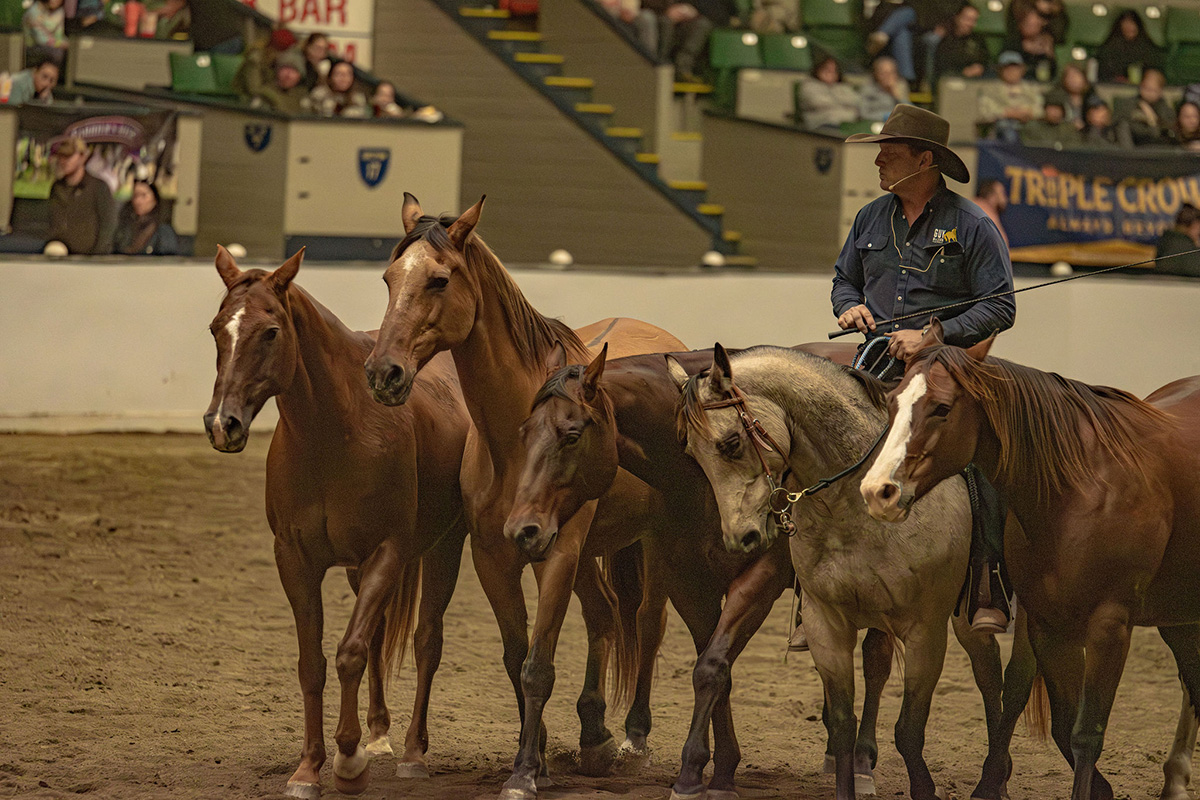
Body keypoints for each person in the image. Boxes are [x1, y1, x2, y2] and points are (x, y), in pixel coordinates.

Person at [831, 104, 1016, 636]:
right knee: (821, 440)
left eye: (889, 152)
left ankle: (989, 583)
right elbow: (845, 279)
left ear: (924, 160)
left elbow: (1000, 307)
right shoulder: (870, 218)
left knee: (980, 457)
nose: (879, 161)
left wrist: (934, 336)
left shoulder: (973, 224)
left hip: (949, 366)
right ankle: (811, 587)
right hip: (876, 359)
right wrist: (849, 306)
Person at [47, 137, 117, 255]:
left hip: (88, 259)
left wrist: (97, 256)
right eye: (61, 156)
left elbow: (108, 225)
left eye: (69, 156)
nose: (64, 161)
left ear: (82, 157)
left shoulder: (99, 187)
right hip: (60, 256)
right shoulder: (57, 187)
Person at [646, 0, 738, 83]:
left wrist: (692, 11)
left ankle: (682, 70)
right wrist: (669, 10)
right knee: (664, 22)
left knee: (702, 25)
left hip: (696, 23)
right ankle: (661, 69)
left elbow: (725, 13)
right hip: (661, 16)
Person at [977, 51, 1042, 142]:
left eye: (1015, 68)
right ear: (1000, 70)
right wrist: (1007, 113)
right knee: (1007, 132)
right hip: (1001, 127)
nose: (1011, 72)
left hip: (1027, 124)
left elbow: (1039, 109)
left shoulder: (1031, 89)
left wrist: (1027, 112)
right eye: (1007, 68)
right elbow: (985, 112)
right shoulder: (990, 90)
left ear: (1022, 70)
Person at [1096, 9, 1164, 84]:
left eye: (1132, 24)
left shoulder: (1148, 49)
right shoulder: (1110, 48)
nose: (1129, 27)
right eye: (1126, 25)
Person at [113, 179, 179, 256]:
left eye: (143, 195)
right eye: (135, 195)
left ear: (154, 199)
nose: (138, 201)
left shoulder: (163, 231)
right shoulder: (126, 227)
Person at [797, 55, 859, 131]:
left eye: (834, 70)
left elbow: (855, 100)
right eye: (827, 69)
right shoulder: (809, 86)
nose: (830, 73)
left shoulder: (843, 86)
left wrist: (834, 99)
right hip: (821, 123)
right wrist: (841, 103)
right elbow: (817, 102)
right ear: (818, 69)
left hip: (847, 122)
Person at [1113, 68, 1172, 147]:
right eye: (1146, 88)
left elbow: (1158, 133)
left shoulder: (1164, 108)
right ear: (1141, 86)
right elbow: (1119, 123)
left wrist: (1151, 118)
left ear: (1160, 91)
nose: (1149, 93)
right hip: (1132, 141)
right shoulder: (1129, 103)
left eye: (1154, 90)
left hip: (1155, 144)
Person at [933, 2, 989, 84]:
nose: (970, 24)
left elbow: (985, 58)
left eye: (974, 20)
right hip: (952, 79)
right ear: (957, 17)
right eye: (967, 19)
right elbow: (943, 65)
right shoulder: (945, 39)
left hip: (976, 79)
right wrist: (963, 72)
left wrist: (980, 67)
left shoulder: (978, 39)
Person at [866, 0, 918, 82]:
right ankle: (905, 78)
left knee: (908, 13)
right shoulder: (880, 6)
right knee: (902, 34)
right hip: (893, 38)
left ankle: (882, 34)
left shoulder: (912, 6)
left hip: (913, 35)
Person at [1004, 7, 1056, 81]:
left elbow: (1051, 73)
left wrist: (1050, 55)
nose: (1032, 27)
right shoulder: (1013, 41)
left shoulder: (1046, 42)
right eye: (1028, 24)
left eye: (1035, 24)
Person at [1044, 63, 1096, 131]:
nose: (1073, 80)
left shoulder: (1091, 97)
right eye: (1069, 76)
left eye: (1076, 75)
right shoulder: (1056, 98)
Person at [859, 56, 909, 123]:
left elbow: (911, 113)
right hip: (875, 126)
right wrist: (888, 116)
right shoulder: (868, 90)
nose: (888, 76)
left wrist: (898, 96)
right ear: (876, 74)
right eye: (884, 73)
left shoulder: (900, 86)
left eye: (892, 72)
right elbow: (863, 114)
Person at [1155, 204, 1200, 277]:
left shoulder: (1168, 240)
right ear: (1194, 225)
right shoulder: (1183, 245)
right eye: (1198, 228)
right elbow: (1195, 269)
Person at [973, 178, 1009, 247]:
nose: (1005, 199)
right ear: (992, 197)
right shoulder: (985, 214)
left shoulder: (971, 207)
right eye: (1002, 193)